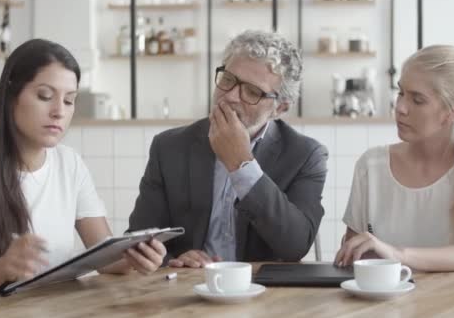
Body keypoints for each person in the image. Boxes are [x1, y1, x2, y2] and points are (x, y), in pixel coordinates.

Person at [0, 39, 166, 318]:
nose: (59, 111)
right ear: (11, 95)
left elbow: (106, 258)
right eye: (45, 96)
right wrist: (3, 266)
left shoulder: (71, 164)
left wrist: (136, 256)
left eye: (69, 101)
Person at [128, 30, 328, 268]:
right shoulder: (169, 146)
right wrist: (173, 261)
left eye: (252, 92)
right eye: (228, 80)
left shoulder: (306, 155)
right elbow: (139, 240)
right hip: (189, 289)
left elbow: (295, 246)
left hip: (265, 295)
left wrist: (241, 164)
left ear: (280, 108)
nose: (231, 96)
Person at [335, 45, 454, 272]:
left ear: (452, 112)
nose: (400, 107)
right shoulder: (371, 166)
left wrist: (397, 254)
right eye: (400, 93)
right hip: (383, 306)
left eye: (417, 100)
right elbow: (352, 257)